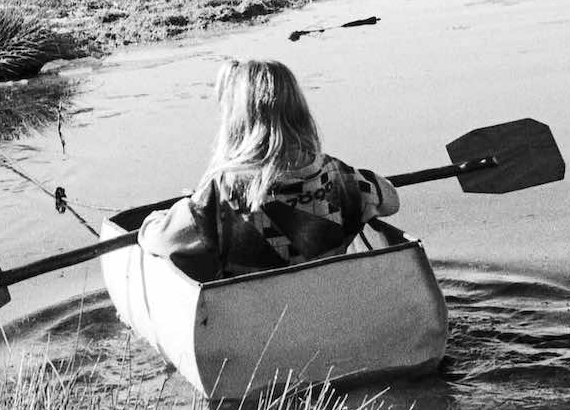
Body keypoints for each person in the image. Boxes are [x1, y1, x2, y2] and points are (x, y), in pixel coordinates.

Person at [138, 58, 399, 278]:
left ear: (237, 121)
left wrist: (154, 220)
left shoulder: (223, 192)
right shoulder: (339, 176)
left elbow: (159, 240)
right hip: (328, 311)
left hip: (254, 322)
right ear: (300, 113)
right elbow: (391, 201)